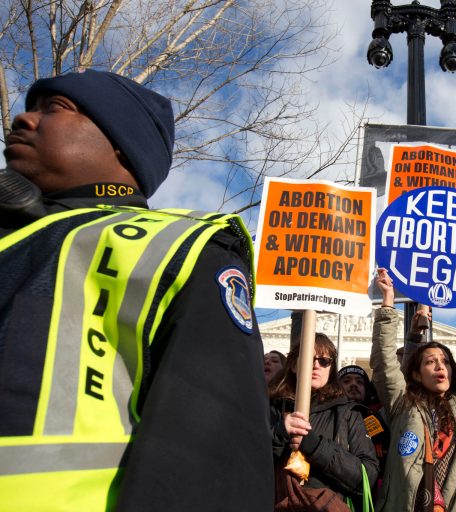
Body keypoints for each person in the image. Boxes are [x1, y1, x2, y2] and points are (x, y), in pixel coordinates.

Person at [0, 69, 274, 510]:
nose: (23, 119)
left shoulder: (180, 248)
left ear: (121, 145)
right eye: (33, 107)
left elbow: (213, 466)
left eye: (55, 108)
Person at [371, 268, 456, 511]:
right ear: (415, 373)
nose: (440, 366)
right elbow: (384, 364)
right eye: (430, 362)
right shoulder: (402, 403)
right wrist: (387, 302)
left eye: (445, 361)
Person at [270, 333, 379, 510]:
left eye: (324, 361)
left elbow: (367, 477)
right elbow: (242, 459)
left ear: (331, 368)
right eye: (308, 358)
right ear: (293, 365)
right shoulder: (269, 407)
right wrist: (279, 433)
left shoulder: (347, 413)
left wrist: (317, 448)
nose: (315, 365)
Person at [338, 364, 391, 498]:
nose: (354, 385)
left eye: (360, 382)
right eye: (346, 381)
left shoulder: (377, 419)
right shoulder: (328, 416)